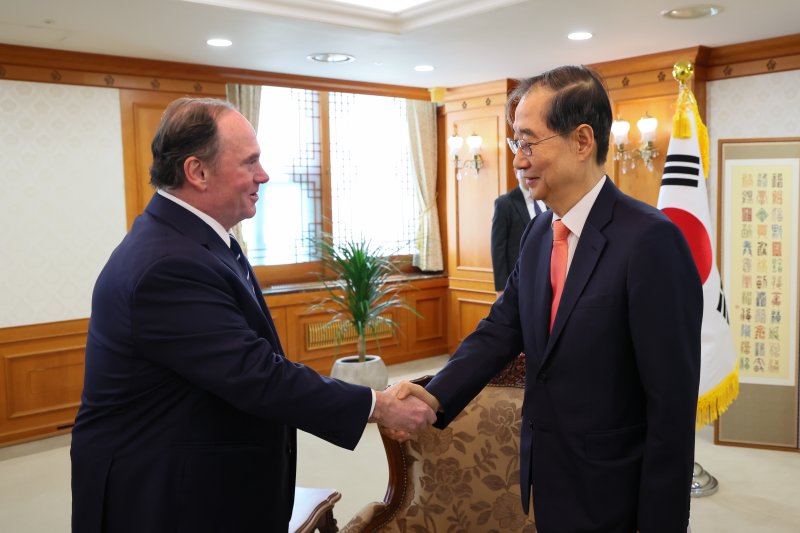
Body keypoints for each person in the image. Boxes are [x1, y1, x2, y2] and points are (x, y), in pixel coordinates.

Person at [70, 97, 435, 533]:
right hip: (162, 498)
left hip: (202, 484)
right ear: (197, 171)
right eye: (250, 162)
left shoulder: (198, 239)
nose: (263, 175)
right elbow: (255, 374)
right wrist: (377, 405)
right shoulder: (167, 264)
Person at [398, 66, 703, 532]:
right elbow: (501, 329)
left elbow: (671, 406)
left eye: (528, 142)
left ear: (582, 141)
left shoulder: (651, 241)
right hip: (546, 474)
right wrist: (434, 397)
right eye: (514, 143)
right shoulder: (540, 231)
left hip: (614, 489)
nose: (518, 161)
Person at [491, 170, 546, 294]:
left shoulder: (549, 199)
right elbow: (498, 248)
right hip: (519, 281)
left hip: (547, 278)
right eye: (524, 169)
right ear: (516, 172)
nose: (530, 172)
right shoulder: (504, 204)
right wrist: (501, 289)